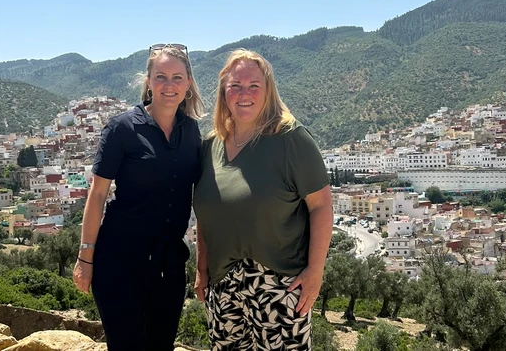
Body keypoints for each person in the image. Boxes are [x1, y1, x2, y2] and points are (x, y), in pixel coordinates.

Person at [193, 49, 333, 350]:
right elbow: (208, 215)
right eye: (235, 85)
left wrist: (315, 271)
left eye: (254, 85)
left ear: (268, 90)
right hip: (223, 284)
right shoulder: (210, 146)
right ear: (223, 92)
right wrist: (201, 269)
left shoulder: (291, 139)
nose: (244, 93)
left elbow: (321, 206)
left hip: (280, 285)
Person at [73, 44, 204, 351]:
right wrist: (85, 258)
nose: (169, 85)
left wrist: (203, 265)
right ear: (148, 82)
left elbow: (201, 199)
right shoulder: (122, 128)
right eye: (161, 77)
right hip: (120, 261)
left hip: (169, 264)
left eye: (177, 77)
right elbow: (97, 196)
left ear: (188, 83)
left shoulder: (192, 132)